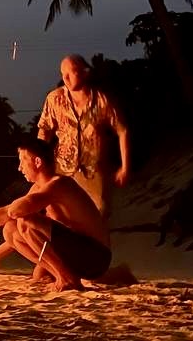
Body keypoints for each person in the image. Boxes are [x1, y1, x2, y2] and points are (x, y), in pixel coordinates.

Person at [0, 136, 112, 292]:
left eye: (23, 160)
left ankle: (66, 278)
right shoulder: (38, 189)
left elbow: (12, 211)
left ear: (37, 162)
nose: (20, 167)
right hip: (79, 254)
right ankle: (65, 276)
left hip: (96, 257)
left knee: (23, 221)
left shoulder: (58, 185)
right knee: (10, 230)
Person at [37, 54, 130, 219]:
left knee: (98, 216)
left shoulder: (102, 101)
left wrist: (124, 167)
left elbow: (122, 131)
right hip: (63, 170)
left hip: (94, 172)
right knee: (61, 217)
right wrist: (38, 161)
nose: (65, 77)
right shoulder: (55, 99)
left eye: (71, 72)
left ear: (85, 73)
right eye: (62, 73)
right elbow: (44, 130)